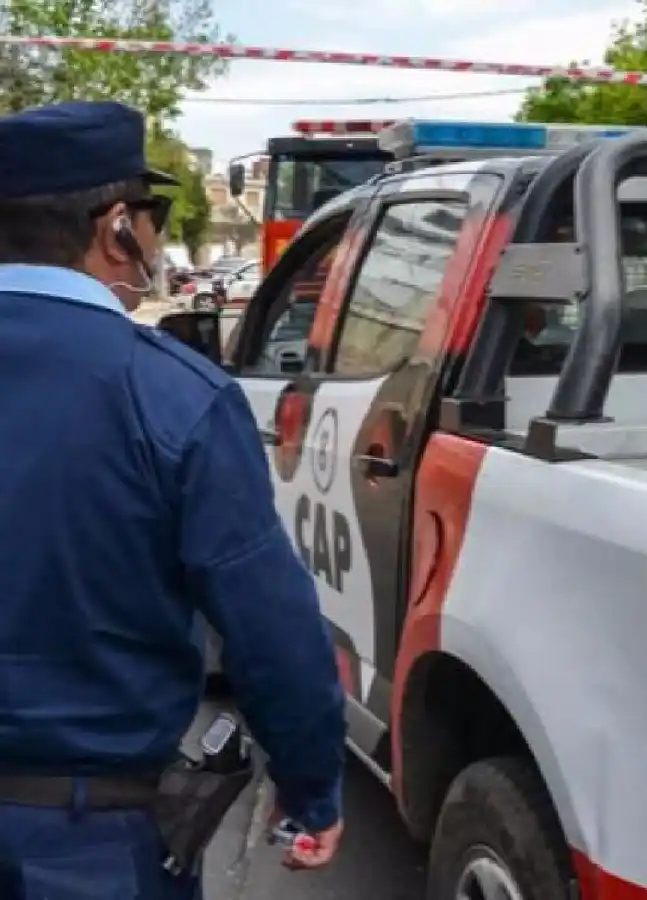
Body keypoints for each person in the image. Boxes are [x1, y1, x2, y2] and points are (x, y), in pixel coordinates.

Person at [0, 100, 346, 898]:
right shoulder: (171, 394)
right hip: (84, 845)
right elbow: (269, 626)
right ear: (117, 227)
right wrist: (310, 788)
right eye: (152, 214)